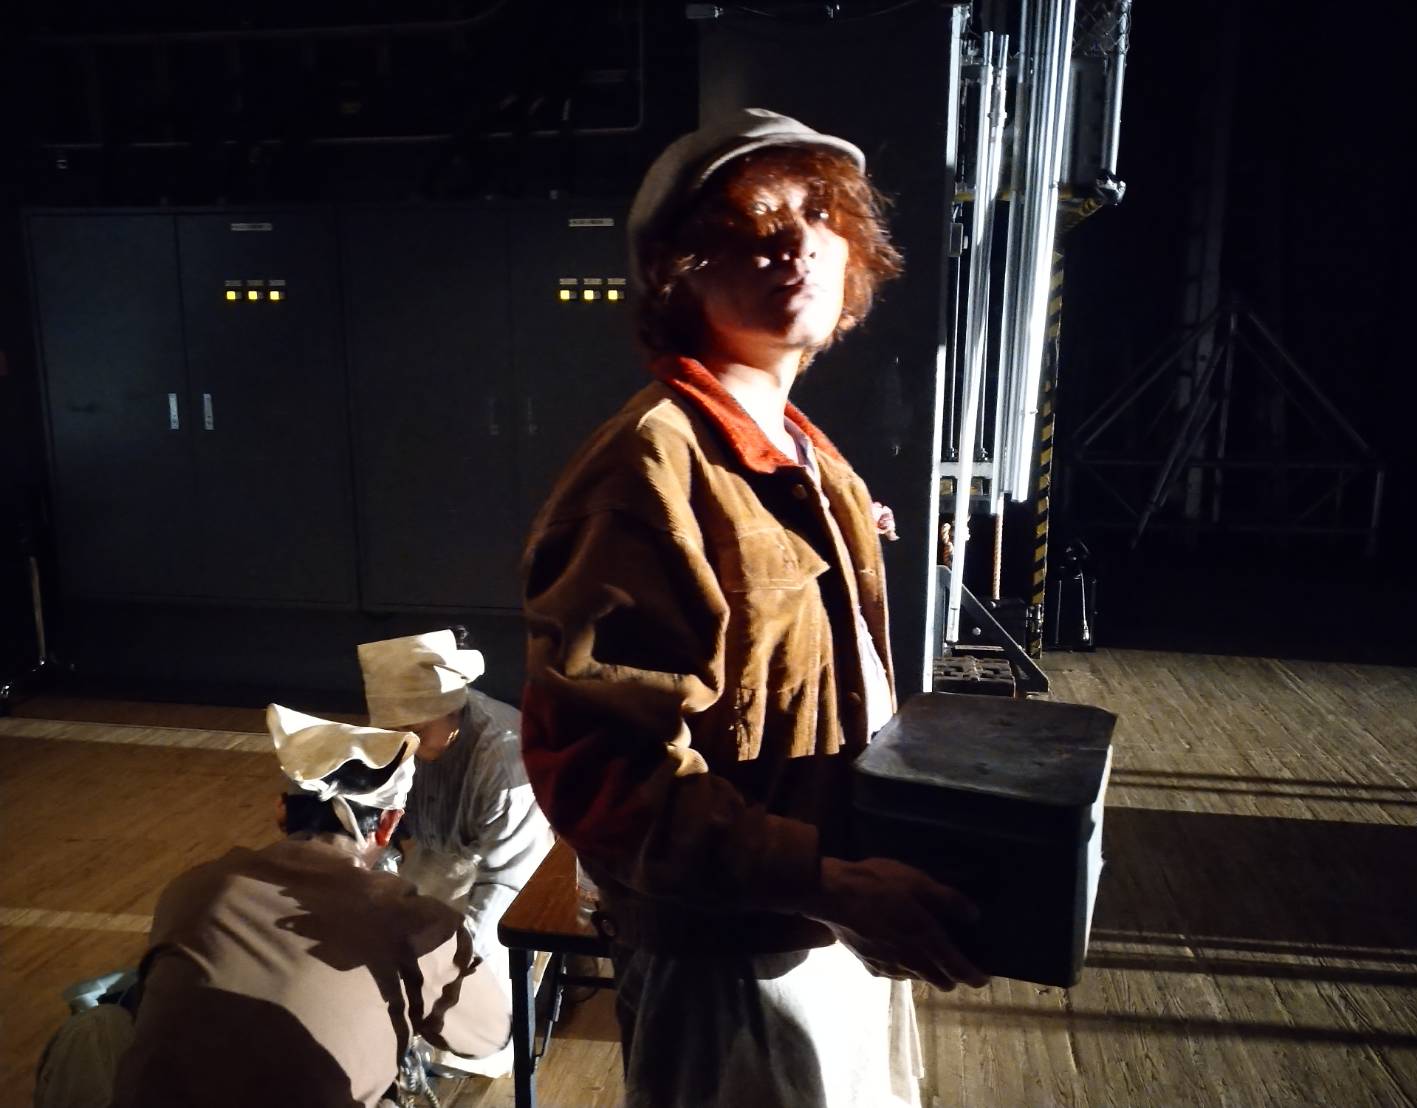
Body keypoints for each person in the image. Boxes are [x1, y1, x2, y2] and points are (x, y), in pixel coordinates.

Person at [520, 108, 988, 1107]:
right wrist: (821, 879)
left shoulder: (804, 451)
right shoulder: (649, 465)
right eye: (749, 227)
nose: (795, 244)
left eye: (818, 215)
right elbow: (600, 770)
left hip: (829, 924)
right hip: (730, 957)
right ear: (674, 275)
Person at [107, 705, 509, 1108]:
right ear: (388, 825)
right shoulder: (410, 918)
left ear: (281, 811)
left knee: (100, 1028)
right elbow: (489, 1035)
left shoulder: (192, 888)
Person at [357, 629, 554, 1076]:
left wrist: (456, 957)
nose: (404, 743)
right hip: (431, 859)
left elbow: (506, 879)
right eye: (392, 732)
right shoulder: (400, 739)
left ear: (452, 710)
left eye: (416, 731)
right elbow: (381, 821)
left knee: (467, 986)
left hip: (503, 869)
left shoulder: (504, 757)